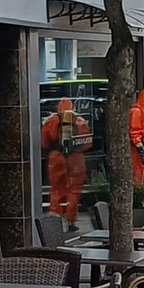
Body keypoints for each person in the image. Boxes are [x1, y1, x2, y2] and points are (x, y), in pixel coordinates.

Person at [41, 97, 92, 232]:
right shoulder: (80, 121)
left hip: (56, 157)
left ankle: (55, 222)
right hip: (75, 158)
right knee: (74, 191)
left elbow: (44, 141)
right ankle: (71, 222)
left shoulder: (51, 121)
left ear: (58, 107)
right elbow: (87, 143)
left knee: (56, 190)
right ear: (72, 107)